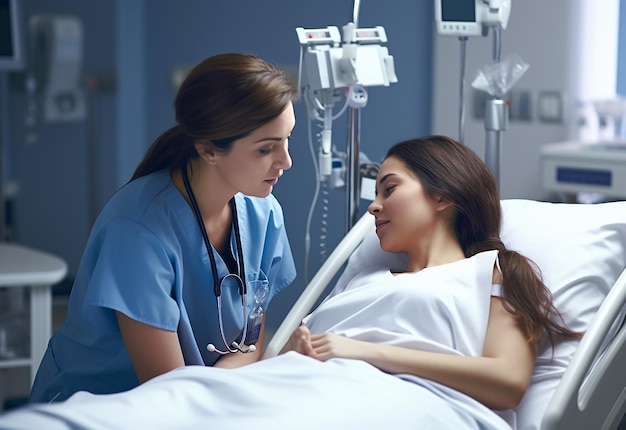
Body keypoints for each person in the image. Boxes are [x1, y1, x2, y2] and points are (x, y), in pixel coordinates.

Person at [28, 52, 299, 403]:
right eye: (267, 149)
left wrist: (220, 387)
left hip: (198, 400)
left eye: (288, 139)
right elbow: (165, 388)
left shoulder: (264, 215)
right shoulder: (137, 231)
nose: (286, 161)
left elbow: (249, 343)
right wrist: (221, 389)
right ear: (209, 150)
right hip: (102, 406)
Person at [280, 135, 580, 423]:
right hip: (298, 390)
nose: (373, 207)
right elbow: (292, 355)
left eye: (390, 189)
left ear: (441, 195)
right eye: (375, 195)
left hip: (392, 406)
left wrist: (366, 351)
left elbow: (508, 382)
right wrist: (292, 351)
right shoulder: (363, 280)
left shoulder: (490, 272)